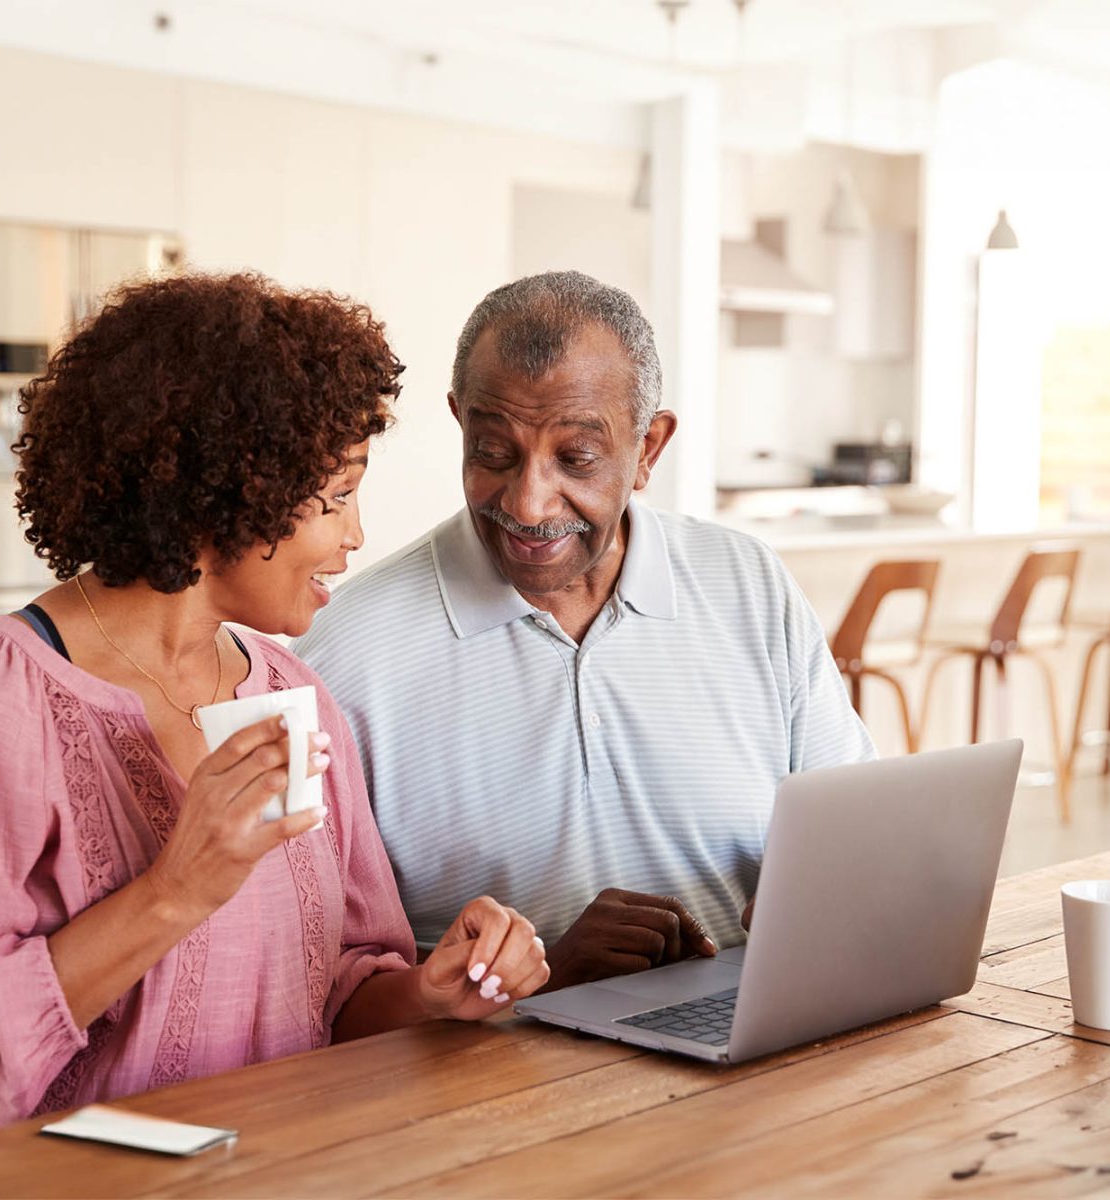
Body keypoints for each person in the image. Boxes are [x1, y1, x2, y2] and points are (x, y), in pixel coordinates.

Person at [0, 272, 548, 1169]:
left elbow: (337, 988)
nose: (355, 534)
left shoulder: (290, 693)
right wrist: (174, 889)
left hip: (253, 1173)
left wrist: (431, 993)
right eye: (333, 497)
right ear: (223, 492)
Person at [297, 270, 874, 991]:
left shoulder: (748, 584)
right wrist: (537, 978)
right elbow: (321, 981)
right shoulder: (344, 656)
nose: (531, 504)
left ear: (649, 448)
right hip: (496, 1084)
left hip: (753, 1041)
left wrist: (815, 899)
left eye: (577, 459)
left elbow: (854, 830)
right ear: (460, 424)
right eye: (494, 452)